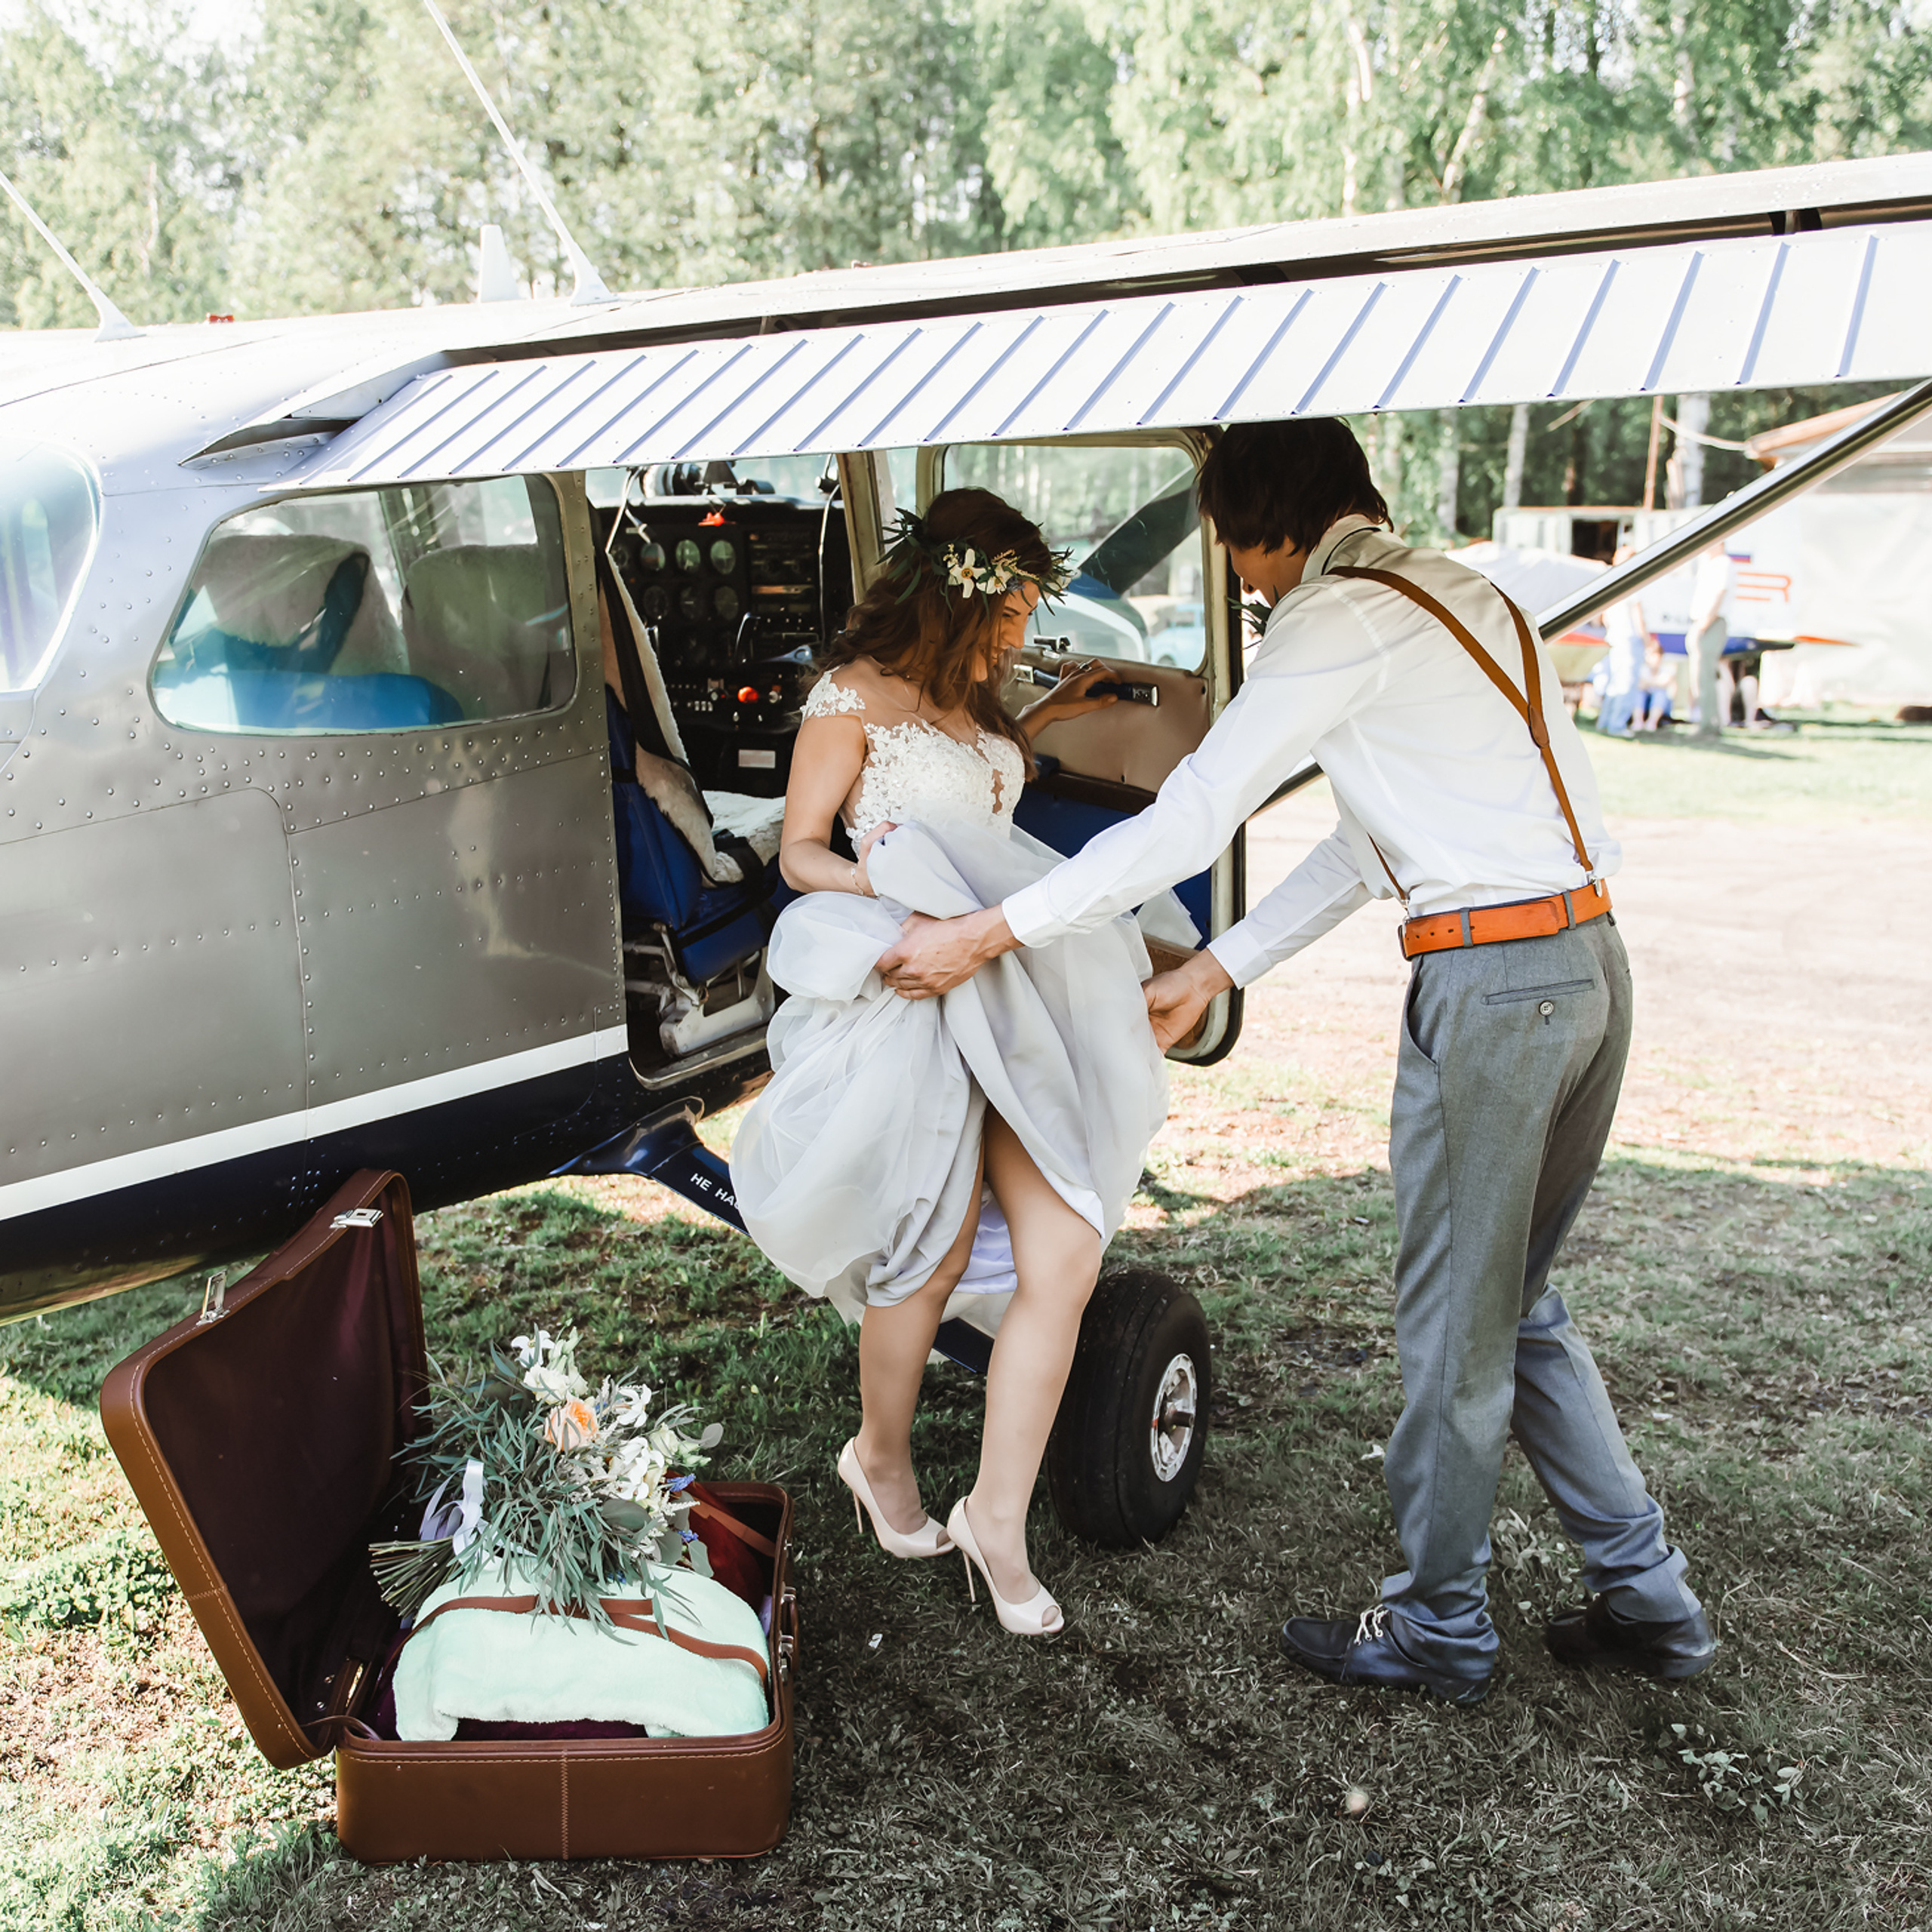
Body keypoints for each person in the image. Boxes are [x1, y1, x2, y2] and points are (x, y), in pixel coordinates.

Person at [874, 420, 1713, 1704]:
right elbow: (1374, 842)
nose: (1242, 582)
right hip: (1589, 965)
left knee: (1454, 1330)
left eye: (1234, 551)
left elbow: (1196, 813)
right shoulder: (1459, 592)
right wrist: (1222, 967)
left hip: (1495, 992)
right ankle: (1650, 1597)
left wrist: (993, 929)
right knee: (1522, 1303)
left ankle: (1441, 1624)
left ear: (1270, 525)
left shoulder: (1332, 619)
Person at [728, 488, 1177, 1639]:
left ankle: (998, 1517)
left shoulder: (986, 710)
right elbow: (799, 853)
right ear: (956, 593)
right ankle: (879, 1460)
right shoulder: (849, 704)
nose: (1024, 633)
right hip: (918, 994)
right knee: (922, 1260)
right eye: (1014, 607)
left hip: (1014, 992)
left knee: (1069, 1248)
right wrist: (886, 882)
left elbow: (1000, 832)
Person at [1687, 540, 1738, 740]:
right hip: (1704, 622)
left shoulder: (1723, 563)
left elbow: (1720, 593)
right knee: (1700, 676)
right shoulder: (1710, 564)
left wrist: (1705, 622)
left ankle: (1710, 724)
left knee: (1705, 676)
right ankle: (1706, 721)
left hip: (1711, 623)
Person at [1594, 548, 1648, 737]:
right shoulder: (1632, 581)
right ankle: (1617, 725)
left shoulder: (1612, 580)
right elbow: (1638, 617)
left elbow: (1604, 616)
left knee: (1614, 682)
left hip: (1614, 637)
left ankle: (1605, 722)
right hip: (1629, 637)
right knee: (1626, 682)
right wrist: (1647, 641)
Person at [1635, 634, 1675, 730]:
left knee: (1660, 693)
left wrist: (1648, 683)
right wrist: (1655, 682)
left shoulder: (1668, 668)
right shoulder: (1642, 669)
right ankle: (1637, 721)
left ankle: (1652, 722)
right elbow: (1639, 686)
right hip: (1645, 702)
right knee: (1639, 694)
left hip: (1663, 705)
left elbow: (1665, 683)